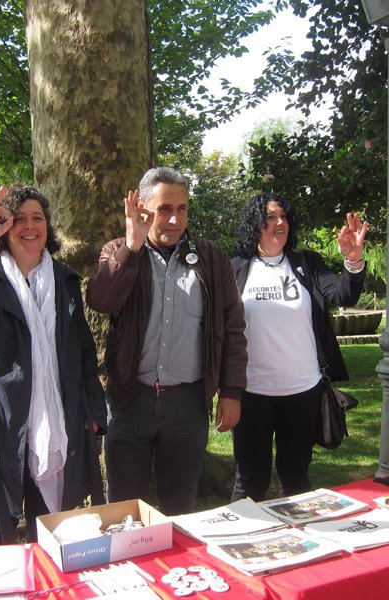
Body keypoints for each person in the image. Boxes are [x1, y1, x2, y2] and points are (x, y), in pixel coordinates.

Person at [0, 183, 107, 544]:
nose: (30, 226)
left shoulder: (65, 280)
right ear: (4, 228)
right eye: (19, 219)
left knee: (50, 529)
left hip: (59, 418)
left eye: (38, 218)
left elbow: (83, 350)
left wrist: (95, 408)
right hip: (1, 420)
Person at [86, 167, 248, 516]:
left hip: (187, 405)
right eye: (164, 209)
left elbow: (233, 328)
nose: (175, 219)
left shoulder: (211, 258)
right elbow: (102, 300)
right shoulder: (118, 250)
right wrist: (132, 246)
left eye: (182, 208)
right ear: (143, 209)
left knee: (181, 510)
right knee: (123, 512)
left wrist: (232, 391)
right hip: (130, 402)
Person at [230, 192, 367, 501]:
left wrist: (353, 260)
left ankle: (296, 531)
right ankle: (245, 530)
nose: (280, 223)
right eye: (270, 217)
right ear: (254, 224)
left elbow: (343, 295)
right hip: (251, 394)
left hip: (303, 392)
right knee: (249, 482)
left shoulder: (307, 263)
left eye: (284, 216)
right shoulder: (236, 268)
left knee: (296, 479)